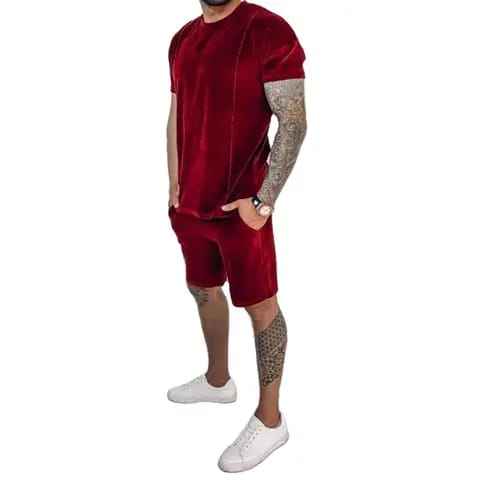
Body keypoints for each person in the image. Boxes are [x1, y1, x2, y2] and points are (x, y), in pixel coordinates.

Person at [166, 0, 307, 472]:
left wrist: (263, 202)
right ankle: (218, 380)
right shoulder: (182, 40)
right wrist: (174, 183)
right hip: (190, 205)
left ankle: (270, 421)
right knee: (202, 288)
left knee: (261, 306)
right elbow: (177, 111)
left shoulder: (268, 31)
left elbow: (294, 122)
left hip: (241, 209)